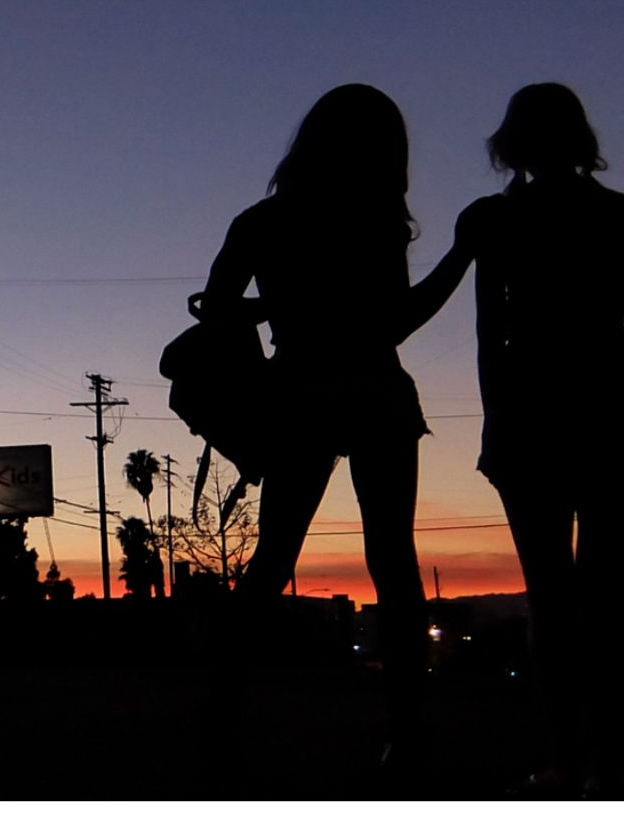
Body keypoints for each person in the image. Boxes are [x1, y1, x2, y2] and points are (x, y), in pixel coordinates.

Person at [202, 83, 475, 764]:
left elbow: (216, 310)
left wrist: (275, 317)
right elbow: (396, 322)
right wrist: (460, 257)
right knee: (394, 563)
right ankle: (407, 734)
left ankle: (221, 722)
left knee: (271, 560)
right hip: (377, 391)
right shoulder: (373, 222)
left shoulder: (260, 222)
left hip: (298, 392)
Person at [466, 83, 624, 794]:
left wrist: (498, 421)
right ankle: (610, 754)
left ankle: (568, 756)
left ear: (512, 142)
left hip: (530, 416)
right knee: (606, 589)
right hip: (611, 407)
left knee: (550, 596)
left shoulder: (501, 220)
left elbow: (491, 337)